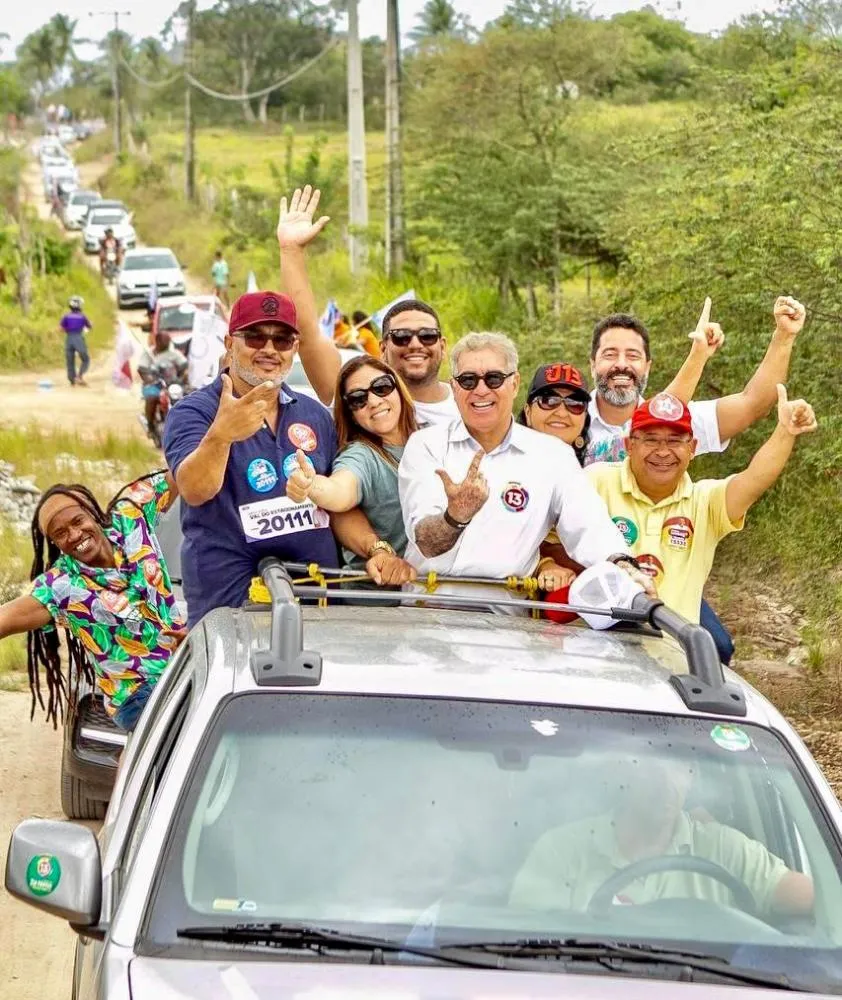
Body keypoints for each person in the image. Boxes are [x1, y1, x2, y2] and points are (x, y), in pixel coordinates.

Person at [398, 332, 650, 605]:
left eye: (494, 379)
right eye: (468, 380)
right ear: (455, 387)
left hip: (504, 621)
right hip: (426, 614)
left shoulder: (554, 457)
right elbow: (426, 542)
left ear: (515, 383)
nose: (481, 390)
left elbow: (591, 528)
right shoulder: (426, 445)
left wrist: (623, 564)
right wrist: (455, 516)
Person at [163, 289, 339, 627]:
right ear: (230, 343)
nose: (269, 349)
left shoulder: (315, 416)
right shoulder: (193, 413)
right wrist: (222, 434)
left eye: (282, 340)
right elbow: (195, 490)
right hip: (229, 606)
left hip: (318, 601)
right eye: (255, 337)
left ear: (295, 348)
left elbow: (338, 499)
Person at [585, 387, 817, 625]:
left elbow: (754, 480)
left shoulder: (705, 502)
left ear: (692, 448)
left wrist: (785, 432)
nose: (663, 452)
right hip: (602, 649)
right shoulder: (595, 483)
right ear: (629, 445)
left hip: (675, 653)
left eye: (675, 441)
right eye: (651, 439)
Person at [510, 755, 814, 917]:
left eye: (678, 767)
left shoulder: (724, 849)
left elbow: (821, 900)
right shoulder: (563, 850)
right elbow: (525, 948)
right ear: (623, 773)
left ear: (692, 775)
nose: (666, 783)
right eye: (650, 766)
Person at [0, 474, 186, 732]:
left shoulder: (131, 516)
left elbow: (183, 468)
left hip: (181, 666)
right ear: (54, 543)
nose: (75, 535)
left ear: (92, 514)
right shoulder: (60, 586)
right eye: (61, 533)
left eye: (78, 521)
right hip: (136, 693)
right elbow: (5, 618)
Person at [584, 296, 805, 467]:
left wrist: (784, 336)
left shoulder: (681, 423)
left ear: (648, 366)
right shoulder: (564, 418)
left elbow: (753, 404)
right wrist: (697, 356)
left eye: (633, 356)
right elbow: (654, 420)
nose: (622, 364)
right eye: (610, 354)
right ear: (593, 364)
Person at [286, 355, 417, 577]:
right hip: (377, 600)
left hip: (437, 592)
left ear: (398, 388)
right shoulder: (361, 455)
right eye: (358, 399)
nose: (374, 401)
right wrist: (311, 486)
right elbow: (339, 491)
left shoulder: (433, 439)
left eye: (382, 387)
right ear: (352, 415)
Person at [137, 331, 190, 435]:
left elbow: (184, 367)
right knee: (152, 398)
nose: (165, 344)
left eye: (167, 342)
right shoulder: (148, 354)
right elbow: (142, 370)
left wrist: (182, 377)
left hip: (172, 384)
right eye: (163, 342)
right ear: (157, 341)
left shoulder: (174, 354)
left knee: (187, 397)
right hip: (154, 384)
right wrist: (150, 379)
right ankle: (151, 425)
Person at [59, 296, 92, 387]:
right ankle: (79, 376)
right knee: (85, 359)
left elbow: (61, 329)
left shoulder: (66, 316)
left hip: (69, 339)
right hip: (78, 337)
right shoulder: (82, 316)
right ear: (80, 306)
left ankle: (72, 381)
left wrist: (68, 329)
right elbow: (88, 326)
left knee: (70, 360)